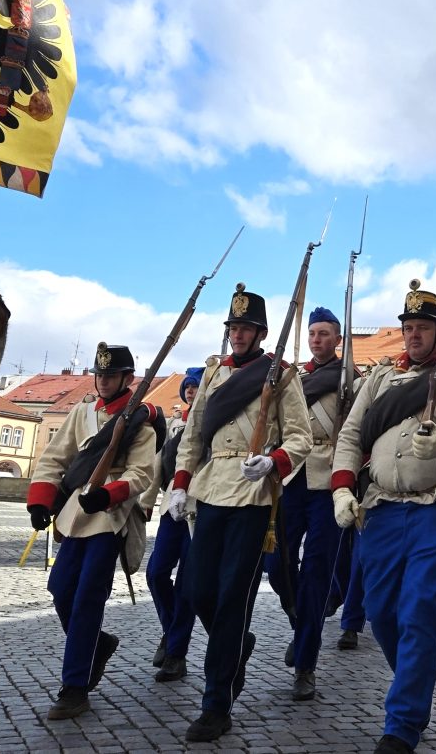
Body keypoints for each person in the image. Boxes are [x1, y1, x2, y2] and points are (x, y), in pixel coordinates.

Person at [331, 280, 436, 754]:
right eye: (409, 327)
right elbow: (351, 435)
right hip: (381, 507)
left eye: (423, 327)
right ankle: (418, 669)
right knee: (381, 612)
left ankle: (401, 725)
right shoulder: (381, 378)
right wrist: (341, 489)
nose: (415, 334)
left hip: (435, 507)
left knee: (419, 607)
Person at [169, 285, 312, 742]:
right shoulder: (214, 374)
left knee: (233, 597)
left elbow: (301, 437)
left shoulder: (280, 375)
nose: (239, 335)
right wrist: (180, 482)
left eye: (247, 328)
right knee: (196, 590)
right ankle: (237, 645)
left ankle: (217, 703)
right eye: (234, 327)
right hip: (212, 487)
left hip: (253, 493)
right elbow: (194, 434)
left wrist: (274, 461)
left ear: (261, 333)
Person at [27, 343, 162, 719]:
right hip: (75, 513)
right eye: (99, 374)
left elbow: (141, 474)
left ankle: (75, 686)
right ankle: (98, 645)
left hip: (110, 517)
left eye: (110, 375)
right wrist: (41, 500)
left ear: (127, 379)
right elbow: (56, 457)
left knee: (88, 597)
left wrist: (107, 494)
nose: (103, 381)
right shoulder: (82, 412)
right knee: (61, 591)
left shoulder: (140, 423)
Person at [266, 305, 356, 701]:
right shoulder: (294, 379)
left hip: (327, 480)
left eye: (324, 334)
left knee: (318, 570)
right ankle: (303, 621)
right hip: (291, 476)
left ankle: (306, 662)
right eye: (312, 333)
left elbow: (359, 431)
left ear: (337, 339)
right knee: (276, 564)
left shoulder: (351, 380)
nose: (316, 340)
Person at [142, 367, 203, 682]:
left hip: (199, 507)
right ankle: (171, 632)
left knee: (187, 583)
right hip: (171, 504)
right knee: (155, 573)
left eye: (196, 386)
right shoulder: (176, 423)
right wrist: (146, 500)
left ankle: (176, 654)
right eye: (188, 387)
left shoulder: (212, 419)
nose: (191, 391)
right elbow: (159, 462)